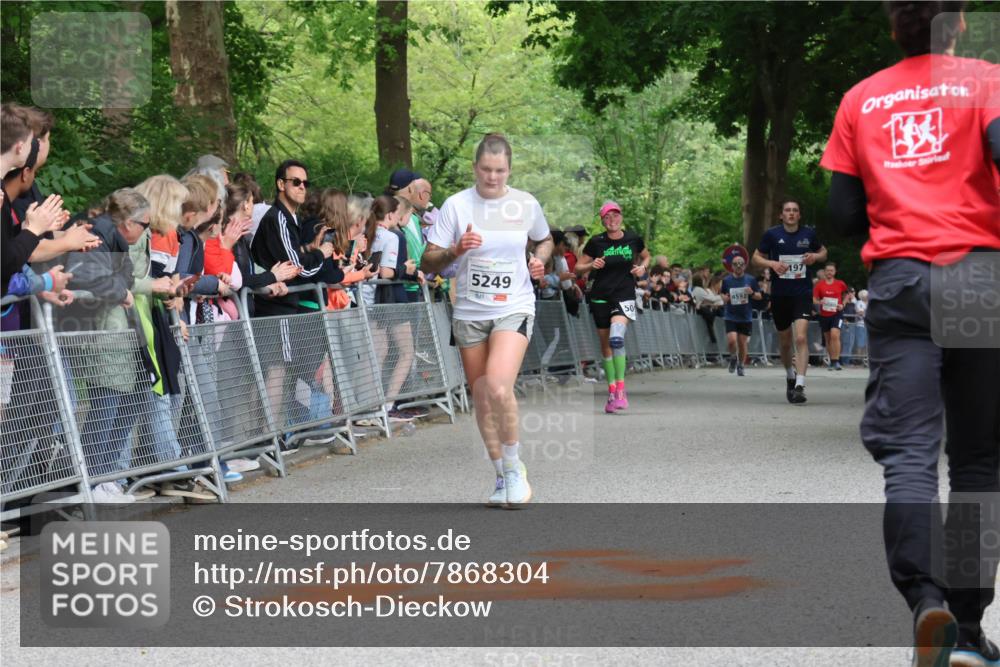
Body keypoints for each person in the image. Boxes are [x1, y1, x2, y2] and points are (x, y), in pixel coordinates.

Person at [820, 2, 1000, 665]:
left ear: (896, 29)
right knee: (979, 459)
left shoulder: (861, 99)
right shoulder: (987, 80)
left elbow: (840, 212)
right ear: (955, 25)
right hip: (978, 276)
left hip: (900, 283)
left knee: (911, 453)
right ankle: (970, 622)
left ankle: (927, 601)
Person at [421, 133, 552, 508]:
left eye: (500, 171)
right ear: (475, 167)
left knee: (497, 385)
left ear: (509, 170)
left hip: (514, 305)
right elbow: (428, 261)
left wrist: (539, 259)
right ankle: (499, 473)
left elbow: (544, 240)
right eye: (486, 170)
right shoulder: (456, 206)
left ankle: (514, 468)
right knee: (481, 395)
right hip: (469, 312)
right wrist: (455, 250)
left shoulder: (525, 204)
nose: (492, 177)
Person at [574, 200, 650, 414]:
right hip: (600, 296)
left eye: (615, 216)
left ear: (621, 217)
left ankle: (622, 391)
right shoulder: (596, 242)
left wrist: (642, 269)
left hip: (624, 293)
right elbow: (578, 267)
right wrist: (591, 265)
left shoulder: (633, 238)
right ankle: (612, 390)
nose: (612, 220)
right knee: (606, 345)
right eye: (607, 217)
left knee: (616, 337)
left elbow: (646, 256)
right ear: (602, 220)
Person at [751, 198, 827, 404]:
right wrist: (772, 263)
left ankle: (800, 385)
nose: (791, 213)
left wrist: (815, 257)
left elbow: (823, 251)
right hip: (780, 295)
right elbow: (755, 258)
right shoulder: (772, 235)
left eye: (795, 210)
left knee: (800, 338)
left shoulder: (808, 234)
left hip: (802, 293)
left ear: (799, 215)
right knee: (785, 342)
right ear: (781, 215)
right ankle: (790, 376)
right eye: (788, 210)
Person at [720, 256, 763, 376]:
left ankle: (741, 365)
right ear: (732, 266)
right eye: (735, 264)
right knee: (732, 341)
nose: (738, 266)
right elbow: (723, 296)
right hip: (731, 315)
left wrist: (752, 293)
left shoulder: (751, 280)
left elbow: (759, 296)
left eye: (741, 264)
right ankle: (733, 357)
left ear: (744, 265)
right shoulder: (727, 280)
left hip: (745, 316)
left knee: (742, 343)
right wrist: (725, 298)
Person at [812, 261, 849, 370]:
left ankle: (836, 361)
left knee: (834, 335)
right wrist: (819, 302)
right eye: (827, 270)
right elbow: (814, 298)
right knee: (828, 339)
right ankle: (832, 361)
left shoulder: (840, 283)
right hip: (824, 314)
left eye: (831, 270)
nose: (829, 272)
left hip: (837, 313)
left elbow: (847, 294)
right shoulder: (819, 285)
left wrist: (842, 304)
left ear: (835, 272)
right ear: (824, 272)